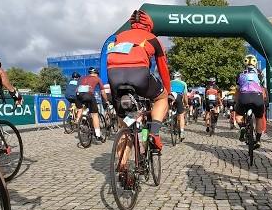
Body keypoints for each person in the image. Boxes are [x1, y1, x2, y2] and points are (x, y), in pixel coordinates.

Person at [106, 9, 171, 152]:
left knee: (126, 125)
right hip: (139, 75)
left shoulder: (119, 36)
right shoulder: (153, 38)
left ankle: (122, 166)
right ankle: (154, 132)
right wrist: (168, 91)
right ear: (149, 25)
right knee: (162, 98)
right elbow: (163, 69)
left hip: (114, 75)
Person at [234, 54, 266, 148]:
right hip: (258, 96)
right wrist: (263, 101)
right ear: (255, 63)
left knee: (239, 116)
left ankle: (242, 127)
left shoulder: (240, 74)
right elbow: (263, 89)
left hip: (244, 96)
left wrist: (236, 101)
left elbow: (237, 90)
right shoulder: (260, 74)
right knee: (259, 118)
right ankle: (258, 140)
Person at [76, 67, 108, 142]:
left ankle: (83, 116)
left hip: (78, 95)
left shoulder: (82, 78)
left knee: (83, 108)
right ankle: (98, 134)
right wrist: (106, 101)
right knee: (95, 114)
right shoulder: (97, 79)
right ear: (96, 74)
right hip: (88, 95)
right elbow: (103, 92)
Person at [170, 71, 188, 141]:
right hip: (178, 97)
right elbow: (185, 96)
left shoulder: (170, 82)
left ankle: (168, 118)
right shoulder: (183, 83)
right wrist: (186, 104)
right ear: (180, 77)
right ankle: (182, 131)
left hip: (170, 97)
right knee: (181, 115)